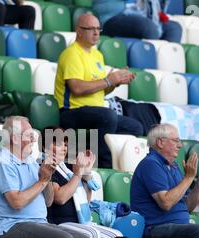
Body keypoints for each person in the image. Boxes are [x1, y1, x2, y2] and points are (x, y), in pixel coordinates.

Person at [0, 116, 92, 238]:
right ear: (15, 138)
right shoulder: (1, 161)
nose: (34, 140)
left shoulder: (30, 161)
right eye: (30, 135)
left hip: (40, 223)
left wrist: (47, 177)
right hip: (11, 225)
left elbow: (48, 201)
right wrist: (42, 180)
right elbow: (17, 202)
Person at [55, 13, 144, 169]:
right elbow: (76, 88)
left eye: (98, 28)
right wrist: (109, 80)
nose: (96, 33)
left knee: (135, 127)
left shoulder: (97, 55)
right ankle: (102, 165)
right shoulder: (71, 54)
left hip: (94, 114)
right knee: (108, 116)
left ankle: (93, 150)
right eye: (91, 29)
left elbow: (100, 90)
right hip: (71, 112)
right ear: (79, 31)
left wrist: (116, 82)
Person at [44, 126, 123, 238]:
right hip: (60, 223)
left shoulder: (67, 169)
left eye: (65, 145)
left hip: (79, 223)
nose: (64, 148)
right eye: (59, 144)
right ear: (44, 146)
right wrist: (78, 175)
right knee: (93, 235)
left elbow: (86, 200)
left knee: (117, 235)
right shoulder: (46, 167)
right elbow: (60, 198)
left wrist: (86, 174)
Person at [93, 0, 182, 42]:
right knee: (149, 27)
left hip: (142, 14)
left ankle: (168, 72)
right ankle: (150, 63)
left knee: (174, 28)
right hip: (112, 15)